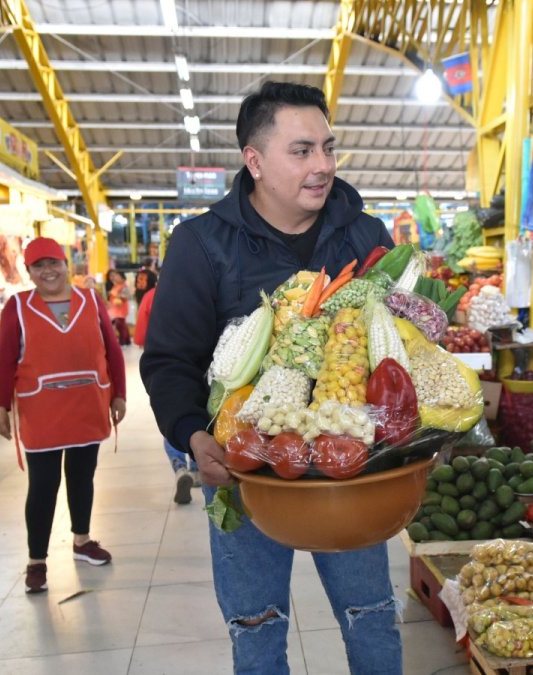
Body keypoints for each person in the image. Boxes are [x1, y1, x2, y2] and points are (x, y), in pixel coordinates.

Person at [140, 81, 400, 673]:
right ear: (254, 161)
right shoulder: (202, 244)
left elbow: (401, 346)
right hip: (245, 465)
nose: (324, 166)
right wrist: (190, 434)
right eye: (302, 150)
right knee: (256, 627)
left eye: (329, 148)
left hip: (351, 464)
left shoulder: (367, 236)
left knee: (373, 616)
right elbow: (169, 360)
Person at [0, 238, 127, 594]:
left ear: (67, 265)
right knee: (43, 486)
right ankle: (37, 561)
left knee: (83, 477)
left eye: (53, 263)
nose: (48, 271)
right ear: (30, 272)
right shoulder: (17, 307)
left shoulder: (90, 300)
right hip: (42, 410)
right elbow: (4, 360)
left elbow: (112, 349)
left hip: (88, 402)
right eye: (38, 266)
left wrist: (119, 394)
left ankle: (82, 541)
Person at [132, 275, 199, 505]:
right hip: (203, 365)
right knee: (200, 416)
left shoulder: (152, 296)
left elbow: (141, 333)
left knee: (173, 415)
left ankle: (180, 467)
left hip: (166, 365)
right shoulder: (202, 288)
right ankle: (199, 466)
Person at [106, 269, 132, 346]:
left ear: (122, 278)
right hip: (114, 309)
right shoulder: (115, 285)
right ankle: (127, 340)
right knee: (122, 325)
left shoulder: (124, 286)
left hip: (121, 309)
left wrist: (118, 295)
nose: (115, 278)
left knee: (121, 326)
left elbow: (128, 296)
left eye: (117, 276)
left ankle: (123, 340)